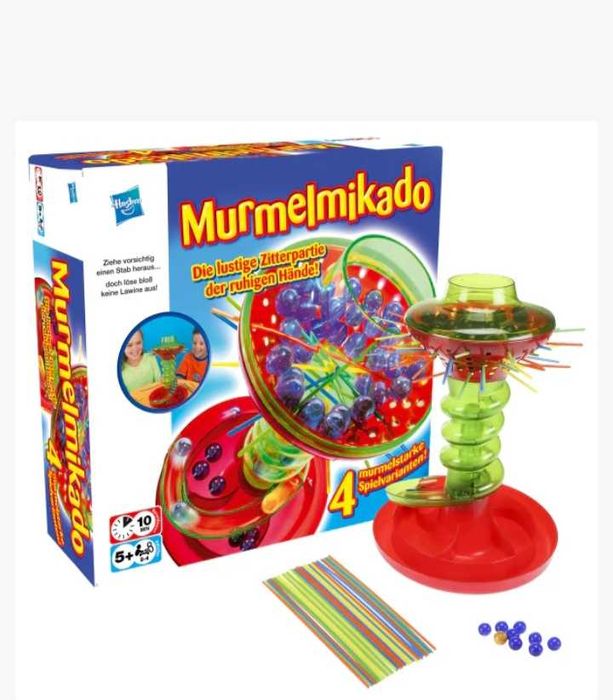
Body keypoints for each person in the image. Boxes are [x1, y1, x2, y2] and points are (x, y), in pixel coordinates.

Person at [121, 329, 161, 393]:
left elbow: (159, 383)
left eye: (138, 343)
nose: (135, 348)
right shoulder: (120, 370)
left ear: (142, 341)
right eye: (129, 345)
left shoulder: (151, 358)